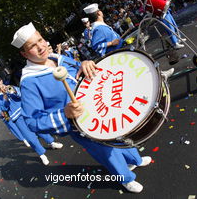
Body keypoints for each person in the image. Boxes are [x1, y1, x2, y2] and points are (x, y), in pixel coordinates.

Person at [11, 22, 152, 193]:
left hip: (100, 106)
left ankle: (134, 160)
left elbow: (81, 71)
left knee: (119, 135)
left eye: (40, 40)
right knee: (105, 151)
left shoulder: (58, 58)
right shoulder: (29, 82)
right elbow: (32, 121)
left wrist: (85, 64)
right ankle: (125, 178)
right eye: (32, 46)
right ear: (24, 53)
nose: (40, 47)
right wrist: (65, 113)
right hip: (79, 125)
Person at [0, 73, 64, 165]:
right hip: (16, 118)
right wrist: (4, 97)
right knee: (30, 138)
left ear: (1, 80)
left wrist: (10, 90)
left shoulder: (9, 86)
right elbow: (4, 109)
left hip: (25, 111)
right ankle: (42, 154)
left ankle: (52, 143)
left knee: (39, 128)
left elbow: (20, 95)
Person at [84, 3, 174, 79]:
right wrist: (111, 43)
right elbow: (96, 47)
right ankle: (160, 75)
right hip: (118, 56)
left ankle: (160, 75)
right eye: (100, 10)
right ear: (99, 13)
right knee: (142, 62)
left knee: (142, 63)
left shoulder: (100, 26)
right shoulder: (98, 29)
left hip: (121, 52)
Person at [0, 82, 31, 148]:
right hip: (4, 113)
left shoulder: (2, 90)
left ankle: (30, 134)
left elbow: (12, 94)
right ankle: (24, 139)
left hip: (11, 109)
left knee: (21, 121)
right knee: (13, 127)